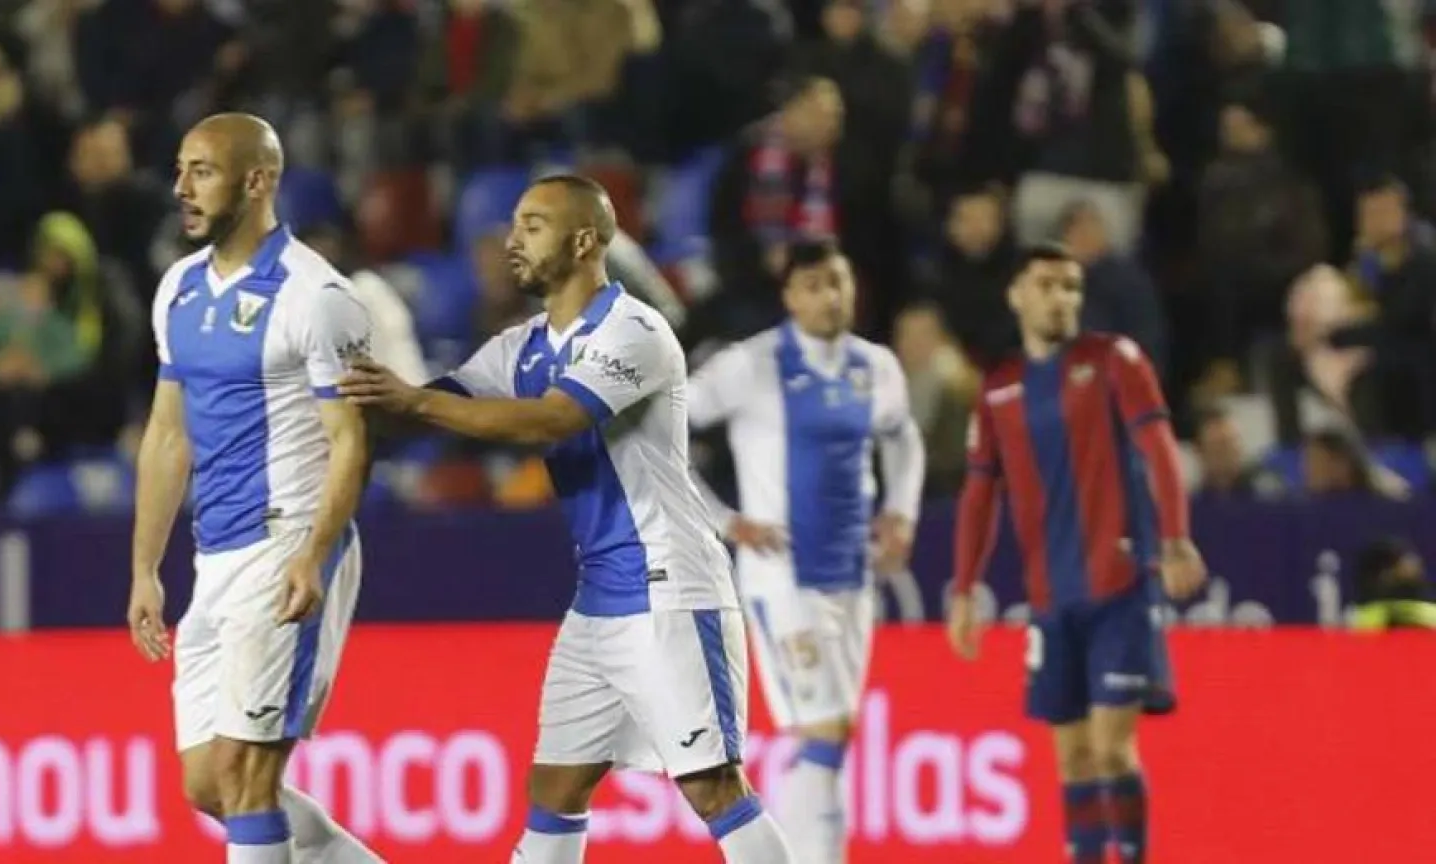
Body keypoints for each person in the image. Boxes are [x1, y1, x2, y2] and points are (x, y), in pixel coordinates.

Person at [339, 174, 796, 863]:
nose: (511, 241)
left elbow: (550, 419)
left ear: (584, 242)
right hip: (599, 599)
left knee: (714, 788)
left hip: (668, 587)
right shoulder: (523, 345)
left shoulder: (634, 331)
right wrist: (344, 397)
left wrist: (414, 402)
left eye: (533, 226)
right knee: (555, 788)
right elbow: (429, 410)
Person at [124, 113, 383, 864]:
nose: (182, 187)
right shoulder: (179, 289)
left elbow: (351, 442)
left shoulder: (316, 296)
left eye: (202, 171)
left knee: (246, 777)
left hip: (287, 542)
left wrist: (315, 552)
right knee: (208, 782)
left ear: (258, 181)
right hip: (216, 556)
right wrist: (145, 567)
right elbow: (167, 434)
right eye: (180, 169)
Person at [947, 243, 1206, 864]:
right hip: (1049, 598)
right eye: (1046, 285)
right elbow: (979, 494)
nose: (1061, 298)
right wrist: (964, 588)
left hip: (1121, 585)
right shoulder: (999, 387)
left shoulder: (1114, 360)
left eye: (1071, 286)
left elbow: (1160, 447)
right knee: (1073, 759)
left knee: (1112, 748)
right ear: (1016, 295)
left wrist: (1174, 539)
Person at [685, 239, 925, 862]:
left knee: (832, 737)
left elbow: (903, 440)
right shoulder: (752, 365)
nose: (830, 297)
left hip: (852, 573)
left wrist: (900, 511)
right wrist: (724, 520)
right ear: (790, 296)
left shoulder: (876, 366)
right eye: (814, 285)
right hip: (782, 575)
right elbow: (663, 427)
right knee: (824, 733)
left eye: (838, 282)